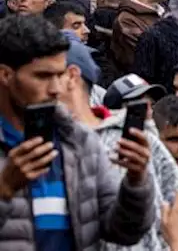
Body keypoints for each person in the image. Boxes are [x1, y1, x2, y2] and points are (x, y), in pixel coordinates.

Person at [0, 14, 158, 246]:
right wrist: (4, 189)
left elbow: (123, 232)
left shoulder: (79, 141)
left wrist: (136, 182)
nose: (56, 89)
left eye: (59, 75)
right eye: (42, 76)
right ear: (5, 75)